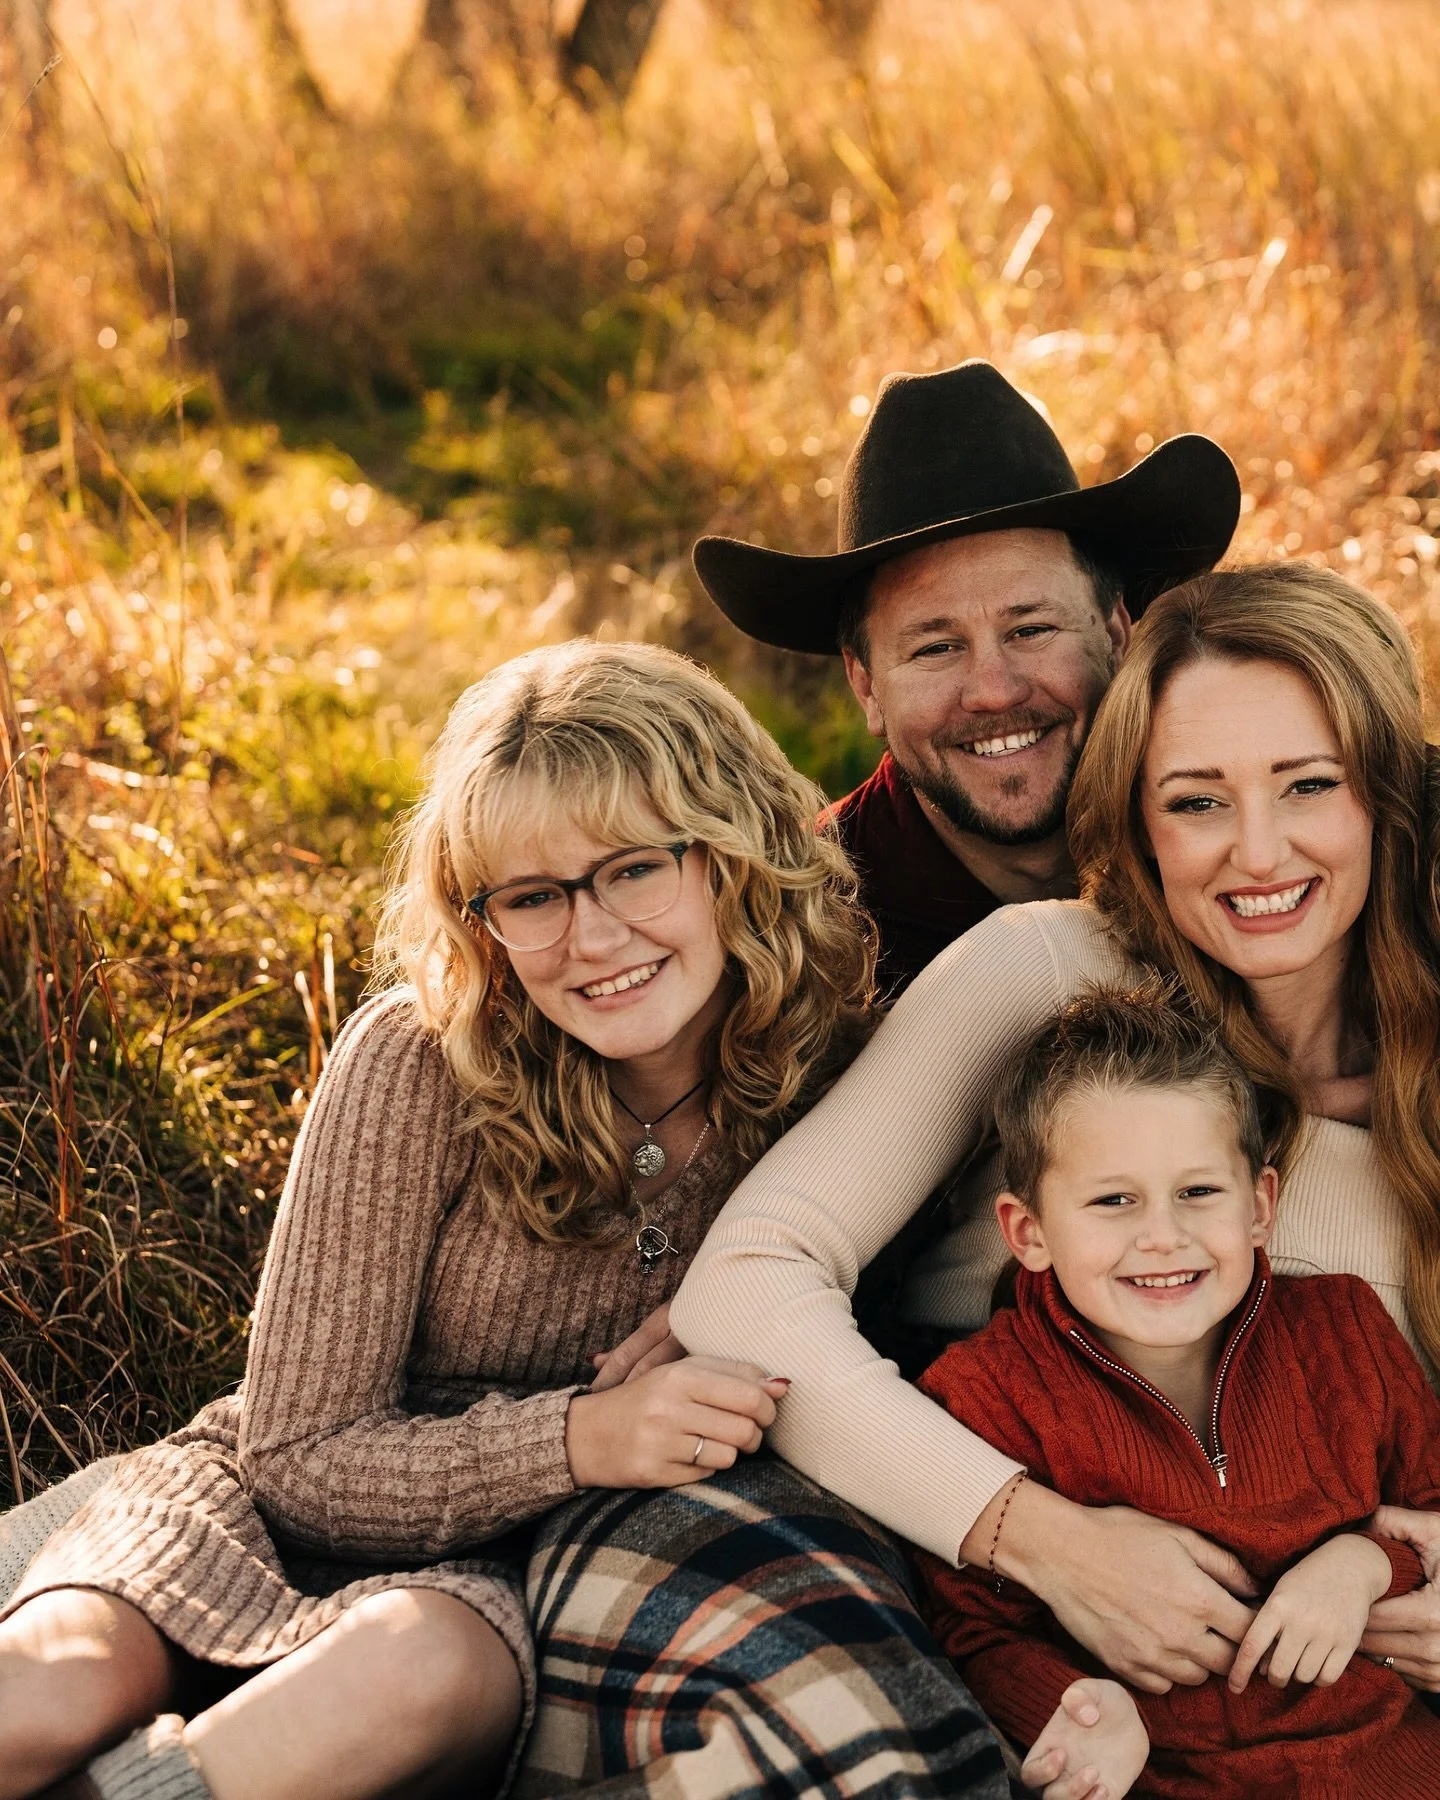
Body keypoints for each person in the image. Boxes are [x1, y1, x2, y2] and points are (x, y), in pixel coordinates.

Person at [0, 643, 1006, 1800]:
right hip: (261, 1512)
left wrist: (734, 1313)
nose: (591, 937)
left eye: (634, 870)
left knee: (413, 1671)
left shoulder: (835, 1079)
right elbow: (292, 1458)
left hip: (483, 1595)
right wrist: (581, 1436)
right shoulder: (418, 1063)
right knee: (57, 1687)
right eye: (532, 896)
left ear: (734, 856)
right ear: (481, 923)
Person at [669, 562, 1440, 1743]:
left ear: (1384, 796)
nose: (1258, 850)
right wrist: (1040, 1537)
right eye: (1196, 801)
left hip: (1336, 1695)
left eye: (1309, 785)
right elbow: (746, 1281)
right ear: (1136, 813)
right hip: (1001, 1626)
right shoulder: (1044, 971)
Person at [916, 987, 1440, 1799]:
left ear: (1260, 1207)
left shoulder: (1345, 1329)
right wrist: (1080, 1707)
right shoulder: (986, 1395)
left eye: (1198, 1192)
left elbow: (1433, 1512)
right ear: (1030, 1232)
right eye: (1113, 1201)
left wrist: (1363, 1564)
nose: (1163, 1235)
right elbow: (971, 1629)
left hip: (1393, 1766)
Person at [692, 359, 1241, 994]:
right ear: (866, 687)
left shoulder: (1227, 840)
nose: (994, 690)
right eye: (936, 648)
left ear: (1116, 633)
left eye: (1030, 630)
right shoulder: (784, 939)